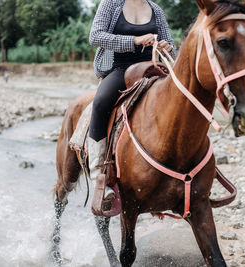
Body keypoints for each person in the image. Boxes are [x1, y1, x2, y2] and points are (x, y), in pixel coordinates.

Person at [88, 0, 176, 206]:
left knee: (180, 102)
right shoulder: (110, 4)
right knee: (100, 103)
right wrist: (135, 40)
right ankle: (98, 171)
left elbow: (170, 44)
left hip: (154, 68)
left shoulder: (156, 9)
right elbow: (96, 36)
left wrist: (168, 46)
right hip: (122, 70)